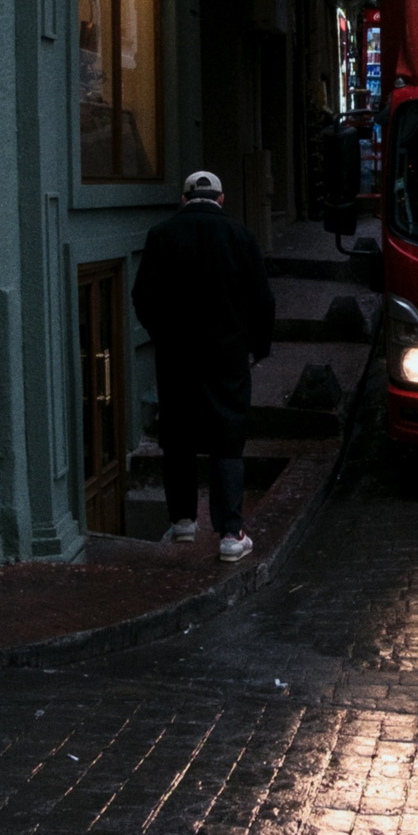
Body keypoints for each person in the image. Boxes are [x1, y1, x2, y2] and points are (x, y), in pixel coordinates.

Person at [131, 170, 275, 562]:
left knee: (177, 435)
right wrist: (257, 347)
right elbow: (262, 301)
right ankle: (230, 533)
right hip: (227, 356)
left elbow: (142, 296)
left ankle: (182, 523)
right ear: (221, 199)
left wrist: (163, 335)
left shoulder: (161, 235)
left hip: (177, 356)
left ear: (184, 198)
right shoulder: (241, 237)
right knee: (227, 439)